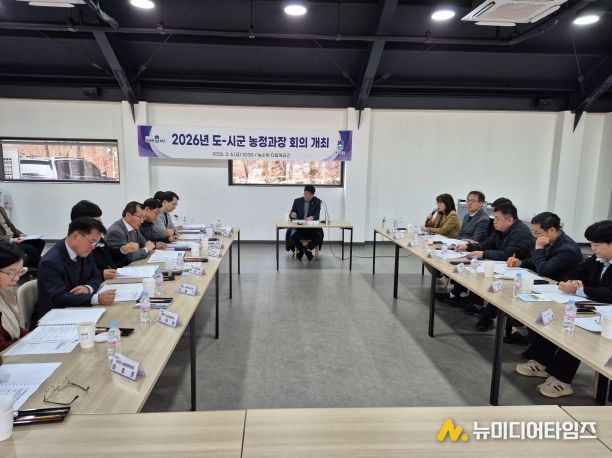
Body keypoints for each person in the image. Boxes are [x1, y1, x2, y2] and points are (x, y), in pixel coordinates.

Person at [516, 220, 612, 398]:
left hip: (606, 315)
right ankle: (541, 361)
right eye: (591, 244)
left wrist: (581, 289)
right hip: (595, 308)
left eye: (597, 245)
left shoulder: (570, 249)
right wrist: (572, 282)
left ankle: (562, 379)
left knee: (577, 332)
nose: (592, 249)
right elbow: (575, 273)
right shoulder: (597, 259)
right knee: (559, 318)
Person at [504, 212, 583, 344]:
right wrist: (520, 263)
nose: (536, 236)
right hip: (548, 287)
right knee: (512, 297)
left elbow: (543, 269)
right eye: (533, 232)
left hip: (562, 294)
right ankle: (526, 335)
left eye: (538, 232)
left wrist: (539, 248)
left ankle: (533, 342)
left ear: (552, 230)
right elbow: (539, 261)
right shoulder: (551, 240)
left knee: (521, 302)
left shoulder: (567, 249)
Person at [456, 202, 534, 331]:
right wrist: (468, 246)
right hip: (505, 269)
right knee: (479, 276)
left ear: (509, 220)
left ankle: (487, 315)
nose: (494, 221)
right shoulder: (500, 230)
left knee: (492, 282)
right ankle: (478, 307)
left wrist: (483, 254)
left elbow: (506, 255)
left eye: (497, 219)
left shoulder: (521, 233)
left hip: (521, 274)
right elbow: (486, 244)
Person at [35, 217, 116, 322]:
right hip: (56, 318)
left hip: (80, 310)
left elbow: (96, 275)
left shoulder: (84, 252)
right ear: (77, 235)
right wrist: (96, 298)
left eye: (96, 243)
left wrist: (88, 288)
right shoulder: (50, 262)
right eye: (92, 241)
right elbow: (58, 297)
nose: (93, 247)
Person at [70, 200, 136, 280]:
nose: (100, 224)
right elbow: (80, 275)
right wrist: (101, 274)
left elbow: (108, 255)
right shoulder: (77, 246)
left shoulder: (97, 237)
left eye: (100, 220)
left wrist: (123, 250)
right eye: (97, 221)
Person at [0, 242, 29, 351]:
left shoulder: (3, 293)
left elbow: (12, 329)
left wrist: (34, 337)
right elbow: (2, 348)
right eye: (11, 273)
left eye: (20, 271)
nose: (17, 278)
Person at [287, 185, 323, 261]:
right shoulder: (297, 201)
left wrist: (312, 217)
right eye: (305, 194)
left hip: (311, 228)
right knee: (292, 237)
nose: (306, 196)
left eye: (308, 195)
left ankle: (303, 251)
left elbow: (317, 215)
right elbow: (291, 213)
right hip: (300, 228)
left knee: (319, 237)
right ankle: (307, 252)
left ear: (313, 195)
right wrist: (292, 215)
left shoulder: (317, 202)